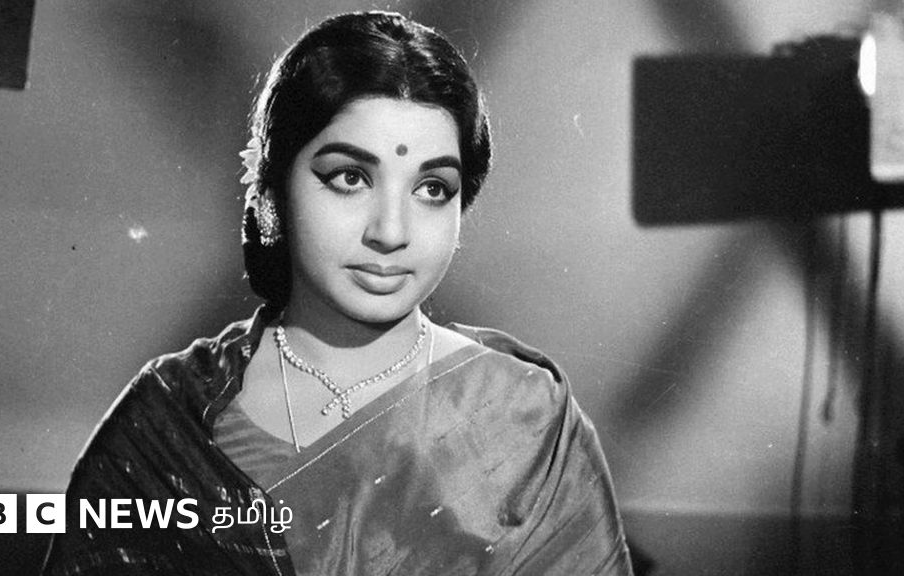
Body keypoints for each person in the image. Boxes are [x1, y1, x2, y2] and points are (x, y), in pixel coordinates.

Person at [42, 11, 633, 576]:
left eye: (432, 188)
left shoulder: (526, 417)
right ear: (272, 189)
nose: (391, 232)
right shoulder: (170, 422)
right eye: (351, 178)